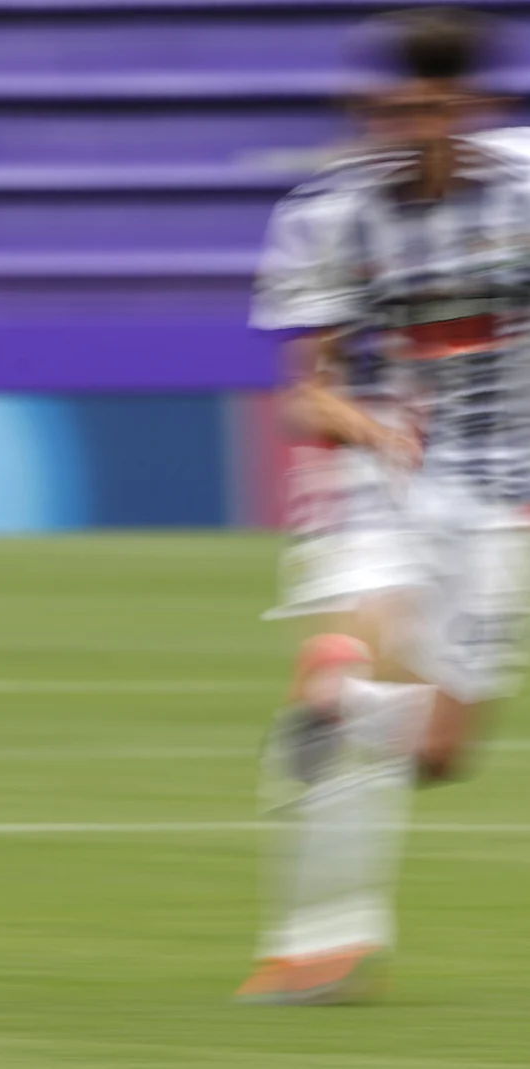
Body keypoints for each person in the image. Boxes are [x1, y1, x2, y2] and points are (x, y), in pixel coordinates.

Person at [238, 7, 530, 1005]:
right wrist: (359, 425)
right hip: (385, 464)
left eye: (430, 109)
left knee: (439, 751)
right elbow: (302, 389)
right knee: (363, 627)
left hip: (501, 486)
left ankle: (344, 702)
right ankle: (314, 946)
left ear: (470, 108)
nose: (406, 130)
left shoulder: (524, 189)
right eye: (388, 112)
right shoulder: (326, 215)